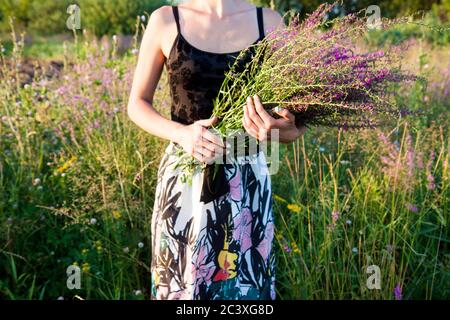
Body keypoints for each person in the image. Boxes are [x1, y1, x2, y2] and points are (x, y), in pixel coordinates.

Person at [127, 0, 306, 300]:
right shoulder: (166, 20)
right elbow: (137, 104)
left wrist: (282, 130)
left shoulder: (271, 23)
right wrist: (181, 134)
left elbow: (294, 120)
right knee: (183, 286)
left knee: (242, 290)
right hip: (184, 180)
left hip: (246, 182)